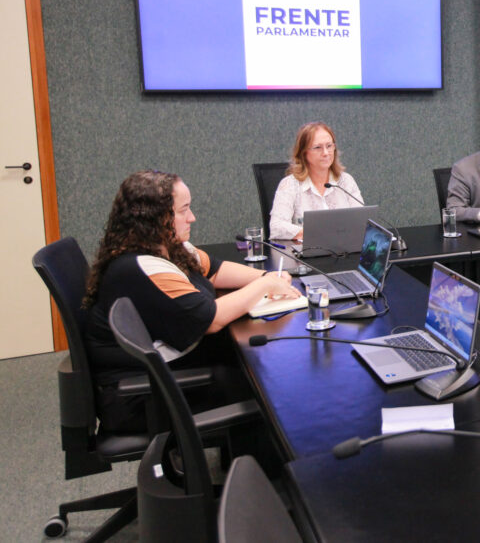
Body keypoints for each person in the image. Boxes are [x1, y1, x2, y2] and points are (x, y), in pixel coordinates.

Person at [84, 170, 300, 431]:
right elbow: (211, 319)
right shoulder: (143, 267)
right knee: (265, 379)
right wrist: (264, 286)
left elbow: (215, 270)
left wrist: (266, 276)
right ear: (155, 218)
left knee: (258, 359)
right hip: (144, 396)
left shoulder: (166, 246)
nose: (192, 217)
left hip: (164, 373)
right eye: (183, 210)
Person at [269, 121, 364, 240]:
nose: (326, 153)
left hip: (345, 248)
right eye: (317, 147)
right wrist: (318, 234)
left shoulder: (345, 181)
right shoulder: (290, 185)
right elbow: (277, 228)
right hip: (308, 250)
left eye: (329, 146)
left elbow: (362, 222)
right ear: (303, 153)